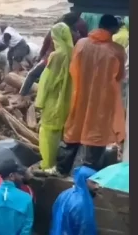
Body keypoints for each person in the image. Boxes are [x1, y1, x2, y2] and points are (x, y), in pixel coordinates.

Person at [55, 15, 126, 176]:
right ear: (113, 29)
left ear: (99, 25)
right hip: (101, 99)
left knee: (73, 132)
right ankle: (89, 175)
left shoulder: (81, 44)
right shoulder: (116, 51)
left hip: (80, 95)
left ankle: (61, 170)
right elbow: (119, 76)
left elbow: (73, 68)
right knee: (96, 136)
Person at [35, 23, 75, 171]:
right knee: (61, 133)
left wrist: (40, 102)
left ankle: (47, 164)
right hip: (68, 100)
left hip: (53, 100)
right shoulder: (74, 53)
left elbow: (46, 81)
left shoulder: (56, 56)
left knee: (47, 133)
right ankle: (58, 163)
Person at [21, 12, 88, 96]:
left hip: (50, 59)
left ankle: (23, 95)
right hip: (68, 62)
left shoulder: (57, 29)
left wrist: (40, 56)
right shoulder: (77, 32)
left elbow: (46, 43)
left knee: (32, 75)